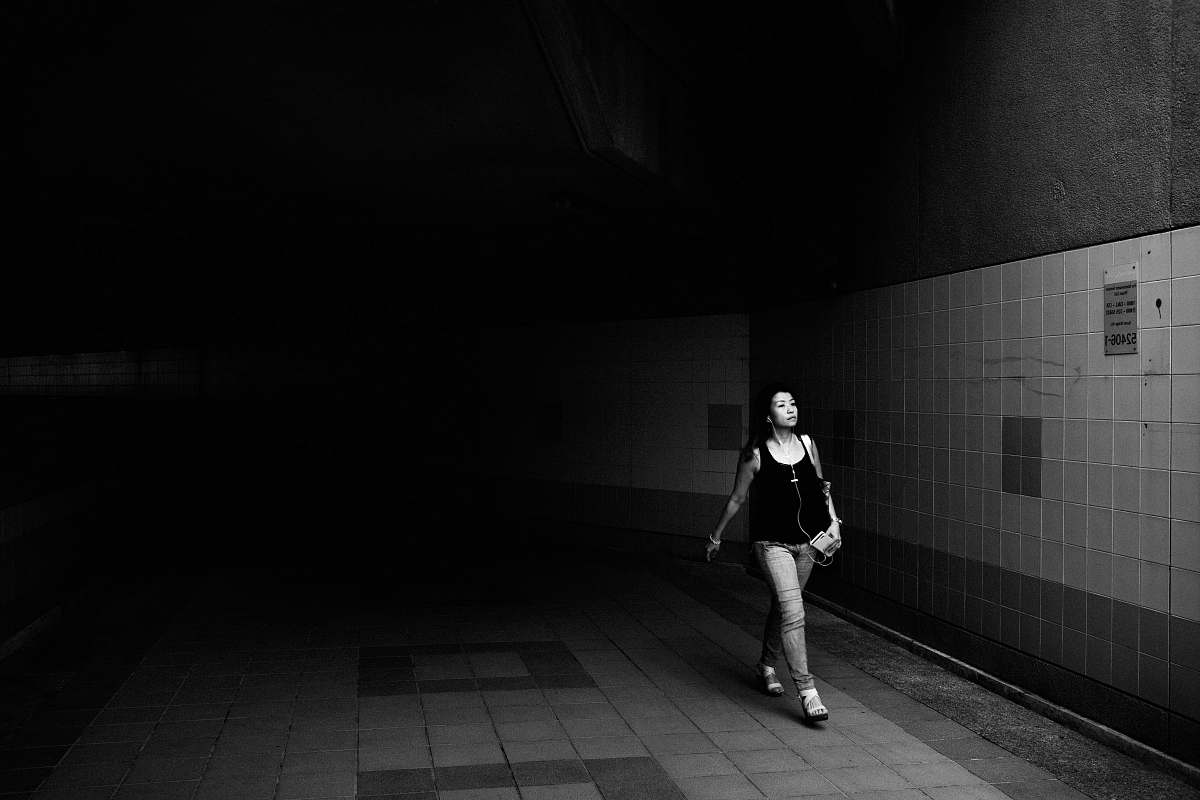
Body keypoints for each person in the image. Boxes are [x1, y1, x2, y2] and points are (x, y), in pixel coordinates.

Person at [705, 383, 842, 722]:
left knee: (784, 609)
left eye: (793, 403)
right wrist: (716, 536)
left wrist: (835, 523)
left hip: (809, 543)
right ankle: (808, 692)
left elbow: (822, 487)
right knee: (794, 612)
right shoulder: (755, 455)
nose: (791, 409)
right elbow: (737, 499)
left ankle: (766, 666)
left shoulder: (808, 445)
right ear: (768, 416)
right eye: (782, 405)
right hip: (772, 544)